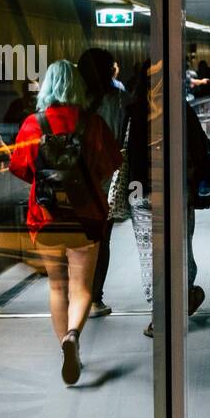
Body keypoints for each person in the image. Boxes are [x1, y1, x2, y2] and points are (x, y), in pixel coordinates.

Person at [8, 60, 121, 385]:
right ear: (78, 87)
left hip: (44, 218)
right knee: (82, 287)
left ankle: (66, 348)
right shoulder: (93, 123)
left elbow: (20, 168)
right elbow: (110, 164)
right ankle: (73, 335)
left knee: (57, 286)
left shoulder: (33, 123)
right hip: (86, 218)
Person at [124, 61, 210, 338]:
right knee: (181, 246)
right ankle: (185, 293)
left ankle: (158, 316)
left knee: (150, 255)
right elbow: (202, 147)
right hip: (175, 191)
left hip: (142, 194)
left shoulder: (133, 111)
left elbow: (124, 150)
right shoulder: (180, 109)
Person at [79, 48, 129, 319]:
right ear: (110, 71)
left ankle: (78, 294)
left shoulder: (75, 100)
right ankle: (95, 298)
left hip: (77, 180)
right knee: (102, 239)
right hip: (107, 177)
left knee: (79, 240)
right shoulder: (120, 100)